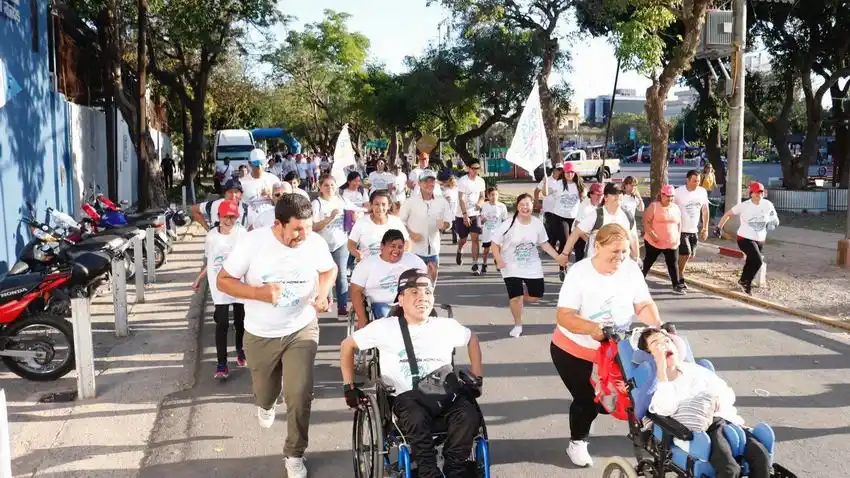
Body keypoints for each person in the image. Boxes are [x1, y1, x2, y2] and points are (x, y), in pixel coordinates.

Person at [217, 194, 337, 478]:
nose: (303, 235)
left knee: (300, 393)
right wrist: (258, 293)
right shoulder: (252, 243)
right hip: (261, 333)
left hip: (301, 328)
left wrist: (323, 294)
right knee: (266, 393)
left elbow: (328, 269)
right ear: (277, 224)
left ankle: (295, 453)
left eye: (307, 228)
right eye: (296, 229)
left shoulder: (314, 242)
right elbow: (223, 280)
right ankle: (266, 403)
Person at [340, 269, 483, 478]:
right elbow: (347, 345)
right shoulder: (383, 328)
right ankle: (427, 470)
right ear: (400, 298)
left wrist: (476, 378)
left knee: (469, 415)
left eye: (427, 293)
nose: (422, 298)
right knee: (415, 417)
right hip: (406, 399)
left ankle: (455, 468)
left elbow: (473, 340)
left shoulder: (446, 326)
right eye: (414, 292)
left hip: (445, 395)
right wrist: (349, 386)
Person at [552, 223, 663, 467]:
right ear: (597, 246)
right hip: (573, 349)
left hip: (615, 349)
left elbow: (643, 304)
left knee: (624, 396)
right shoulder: (580, 273)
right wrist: (592, 328)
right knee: (587, 399)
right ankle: (577, 443)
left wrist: (658, 326)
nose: (620, 257)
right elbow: (564, 315)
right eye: (615, 251)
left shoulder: (630, 269)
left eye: (624, 251)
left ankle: (650, 434)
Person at [638, 328, 770, 478]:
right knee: (730, 469)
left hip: (723, 420)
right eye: (656, 344)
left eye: (667, 341)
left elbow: (725, 393)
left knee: (761, 455)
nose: (664, 345)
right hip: (698, 431)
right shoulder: (657, 382)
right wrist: (661, 370)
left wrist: (724, 410)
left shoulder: (695, 370)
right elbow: (665, 409)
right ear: (650, 356)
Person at [491, 194, 568, 338]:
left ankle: (520, 298)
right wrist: (498, 259)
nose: (525, 208)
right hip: (510, 265)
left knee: (536, 295)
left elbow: (544, 244)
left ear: (533, 206)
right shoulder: (508, 224)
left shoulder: (537, 223)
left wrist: (558, 257)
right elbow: (494, 243)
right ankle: (518, 324)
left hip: (532, 265)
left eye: (527, 204)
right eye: (521, 205)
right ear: (517, 207)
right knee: (515, 298)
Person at [192, 200, 247, 379]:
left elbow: (250, 259)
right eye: (225, 217)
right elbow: (210, 260)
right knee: (221, 322)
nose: (229, 221)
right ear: (219, 217)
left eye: (232, 217)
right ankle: (221, 364)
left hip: (239, 282)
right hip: (219, 284)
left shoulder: (242, 234)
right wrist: (199, 278)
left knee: (240, 321)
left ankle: (240, 349)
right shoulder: (212, 236)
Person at [350, 229, 428, 327]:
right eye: (392, 246)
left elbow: (426, 284)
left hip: (408, 303)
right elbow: (355, 291)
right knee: (386, 317)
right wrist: (362, 318)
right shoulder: (366, 264)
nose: (396, 250)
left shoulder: (413, 260)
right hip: (379, 305)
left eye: (400, 247)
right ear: (382, 246)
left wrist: (431, 276)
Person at [716, 182, 779, 295]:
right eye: (756, 192)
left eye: (761, 192)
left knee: (751, 261)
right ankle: (747, 282)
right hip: (744, 238)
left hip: (759, 239)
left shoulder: (767, 204)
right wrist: (719, 227)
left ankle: (742, 281)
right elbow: (728, 214)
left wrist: (773, 222)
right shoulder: (744, 205)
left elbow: (774, 218)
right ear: (751, 194)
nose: (759, 194)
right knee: (758, 261)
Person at [560, 182, 639, 266]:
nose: (618, 196)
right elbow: (576, 232)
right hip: (597, 265)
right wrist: (564, 254)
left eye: (620, 193)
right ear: (606, 197)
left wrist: (636, 259)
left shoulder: (628, 216)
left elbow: (633, 238)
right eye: (613, 193)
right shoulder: (596, 215)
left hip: (619, 264)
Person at [399, 169, 454, 283]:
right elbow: (400, 221)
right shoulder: (410, 202)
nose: (429, 184)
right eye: (426, 181)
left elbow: (449, 221)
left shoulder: (441, 201)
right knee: (415, 285)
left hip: (433, 251)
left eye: (432, 181)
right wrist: (410, 234)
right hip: (414, 251)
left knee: (430, 286)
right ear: (419, 184)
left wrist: (444, 225)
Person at [312, 174, 351, 317]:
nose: (330, 188)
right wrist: (330, 218)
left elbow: (350, 217)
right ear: (320, 188)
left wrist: (353, 218)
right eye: (326, 185)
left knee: (341, 275)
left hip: (341, 243)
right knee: (325, 274)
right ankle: (327, 301)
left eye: (332, 185)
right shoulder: (317, 203)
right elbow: (313, 227)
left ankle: (342, 306)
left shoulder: (341, 200)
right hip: (323, 245)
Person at [642, 185, 684, 294]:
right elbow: (646, 222)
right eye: (667, 196)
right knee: (648, 262)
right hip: (654, 242)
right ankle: (639, 281)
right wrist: (652, 234)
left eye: (671, 196)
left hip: (671, 243)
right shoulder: (654, 206)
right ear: (661, 195)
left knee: (673, 263)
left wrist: (678, 237)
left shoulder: (675, 207)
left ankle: (676, 285)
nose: (669, 199)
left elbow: (679, 223)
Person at [348, 190, 410, 262]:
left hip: (391, 265)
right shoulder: (361, 222)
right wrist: (358, 254)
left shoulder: (396, 222)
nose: (380, 208)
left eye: (383, 204)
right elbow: (351, 244)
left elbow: (407, 242)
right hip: (367, 265)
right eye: (376, 204)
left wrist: (400, 255)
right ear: (371, 205)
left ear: (389, 206)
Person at [674, 170, 710, 289]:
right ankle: (680, 276)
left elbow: (705, 210)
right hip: (681, 229)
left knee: (690, 255)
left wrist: (705, 228)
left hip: (693, 230)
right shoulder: (678, 192)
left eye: (698, 181)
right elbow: (670, 207)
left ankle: (676, 271)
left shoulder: (702, 192)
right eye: (694, 181)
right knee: (686, 253)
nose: (696, 184)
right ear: (687, 180)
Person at [455, 160, 487, 274]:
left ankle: (474, 264)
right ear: (468, 168)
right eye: (473, 168)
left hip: (475, 214)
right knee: (463, 239)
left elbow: (483, 196)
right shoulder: (463, 181)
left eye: (477, 168)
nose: (475, 170)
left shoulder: (481, 181)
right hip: (462, 214)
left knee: (475, 239)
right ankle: (459, 250)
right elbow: (461, 199)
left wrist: (480, 203)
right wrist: (465, 215)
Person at [571, 182, 604, 264]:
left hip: (592, 235)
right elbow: (577, 226)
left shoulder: (601, 205)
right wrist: (589, 242)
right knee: (581, 262)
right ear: (591, 194)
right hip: (579, 236)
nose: (599, 197)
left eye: (601, 194)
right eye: (597, 194)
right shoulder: (584, 206)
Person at [478, 186, 508, 275]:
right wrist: (483, 219)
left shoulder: (502, 206)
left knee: (498, 249)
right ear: (488, 196)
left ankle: (498, 263)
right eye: (492, 195)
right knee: (486, 250)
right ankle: (484, 264)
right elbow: (481, 219)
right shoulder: (485, 205)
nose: (494, 197)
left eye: (496, 195)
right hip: (487, 231)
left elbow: (504, 220)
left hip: (497, 232)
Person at [441, 173, 460, 245]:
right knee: (450, 225)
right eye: (452, 182)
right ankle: (440, 233)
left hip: (456, 210)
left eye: (454, 182)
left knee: (455, 226)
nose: (453, 184)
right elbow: (444, 199)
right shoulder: (446, 190)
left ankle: (455, 239)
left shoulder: (457, 190)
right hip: (449, 210)